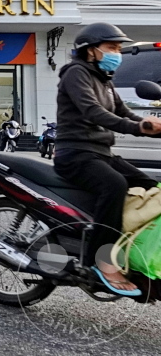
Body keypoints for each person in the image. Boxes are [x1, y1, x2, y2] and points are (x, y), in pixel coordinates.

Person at [53, 23, 161, 297]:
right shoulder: (75, 74)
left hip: (101, 153)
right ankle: (99, 261)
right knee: (114, 185)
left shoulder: (105, 80)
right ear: (91, 50)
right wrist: (137, 128)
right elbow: (92, 111)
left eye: (118, 48)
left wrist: (152, 127)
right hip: (75, 154)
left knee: (149, 186)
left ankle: (131, 248)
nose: (117, 53)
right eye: (111, 47)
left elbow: (125, 112)